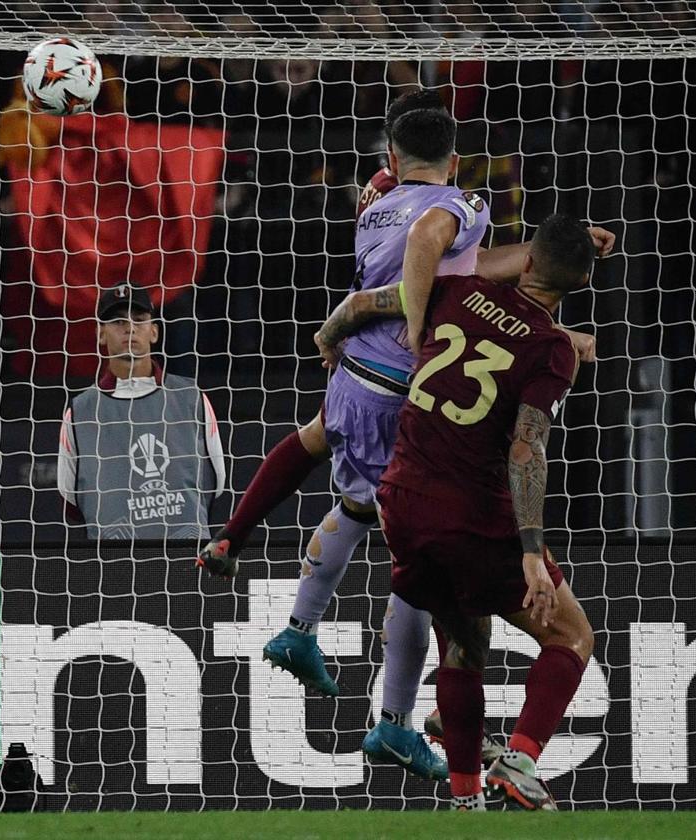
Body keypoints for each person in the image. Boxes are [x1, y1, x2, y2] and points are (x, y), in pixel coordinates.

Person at [201, 91, 611, 781]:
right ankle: (394, 720)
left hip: (355, 374)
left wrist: (334, 329)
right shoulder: (464, 206)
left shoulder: (375, 198)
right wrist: (420, 318)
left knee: (326, 463)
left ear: (391, 157)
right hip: (402, 389)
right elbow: (438, 250)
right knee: (419, 572)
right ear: (454, 161)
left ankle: (259, 574)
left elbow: (461, 271)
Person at [315, 213, 597, 811]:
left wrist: (329, 338)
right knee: (572, 634)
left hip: (401, 501)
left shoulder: (456, 290)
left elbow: (365, 303)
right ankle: (519, 761)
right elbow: (525, 448)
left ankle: (465, 801)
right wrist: (530, 553)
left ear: (525, 260)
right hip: (472, 512)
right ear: (580, 286)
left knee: (465, 643)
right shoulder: (552, 350)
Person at [59, 284, 226, 540]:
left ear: (154, 332)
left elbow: (216, 485)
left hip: (187, 564)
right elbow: (70, 500)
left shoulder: (192, 398)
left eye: (139, 320)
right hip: (113, 568)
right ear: (100, 334)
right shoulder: (80, 410)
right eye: (117, 321)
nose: (129, 328)